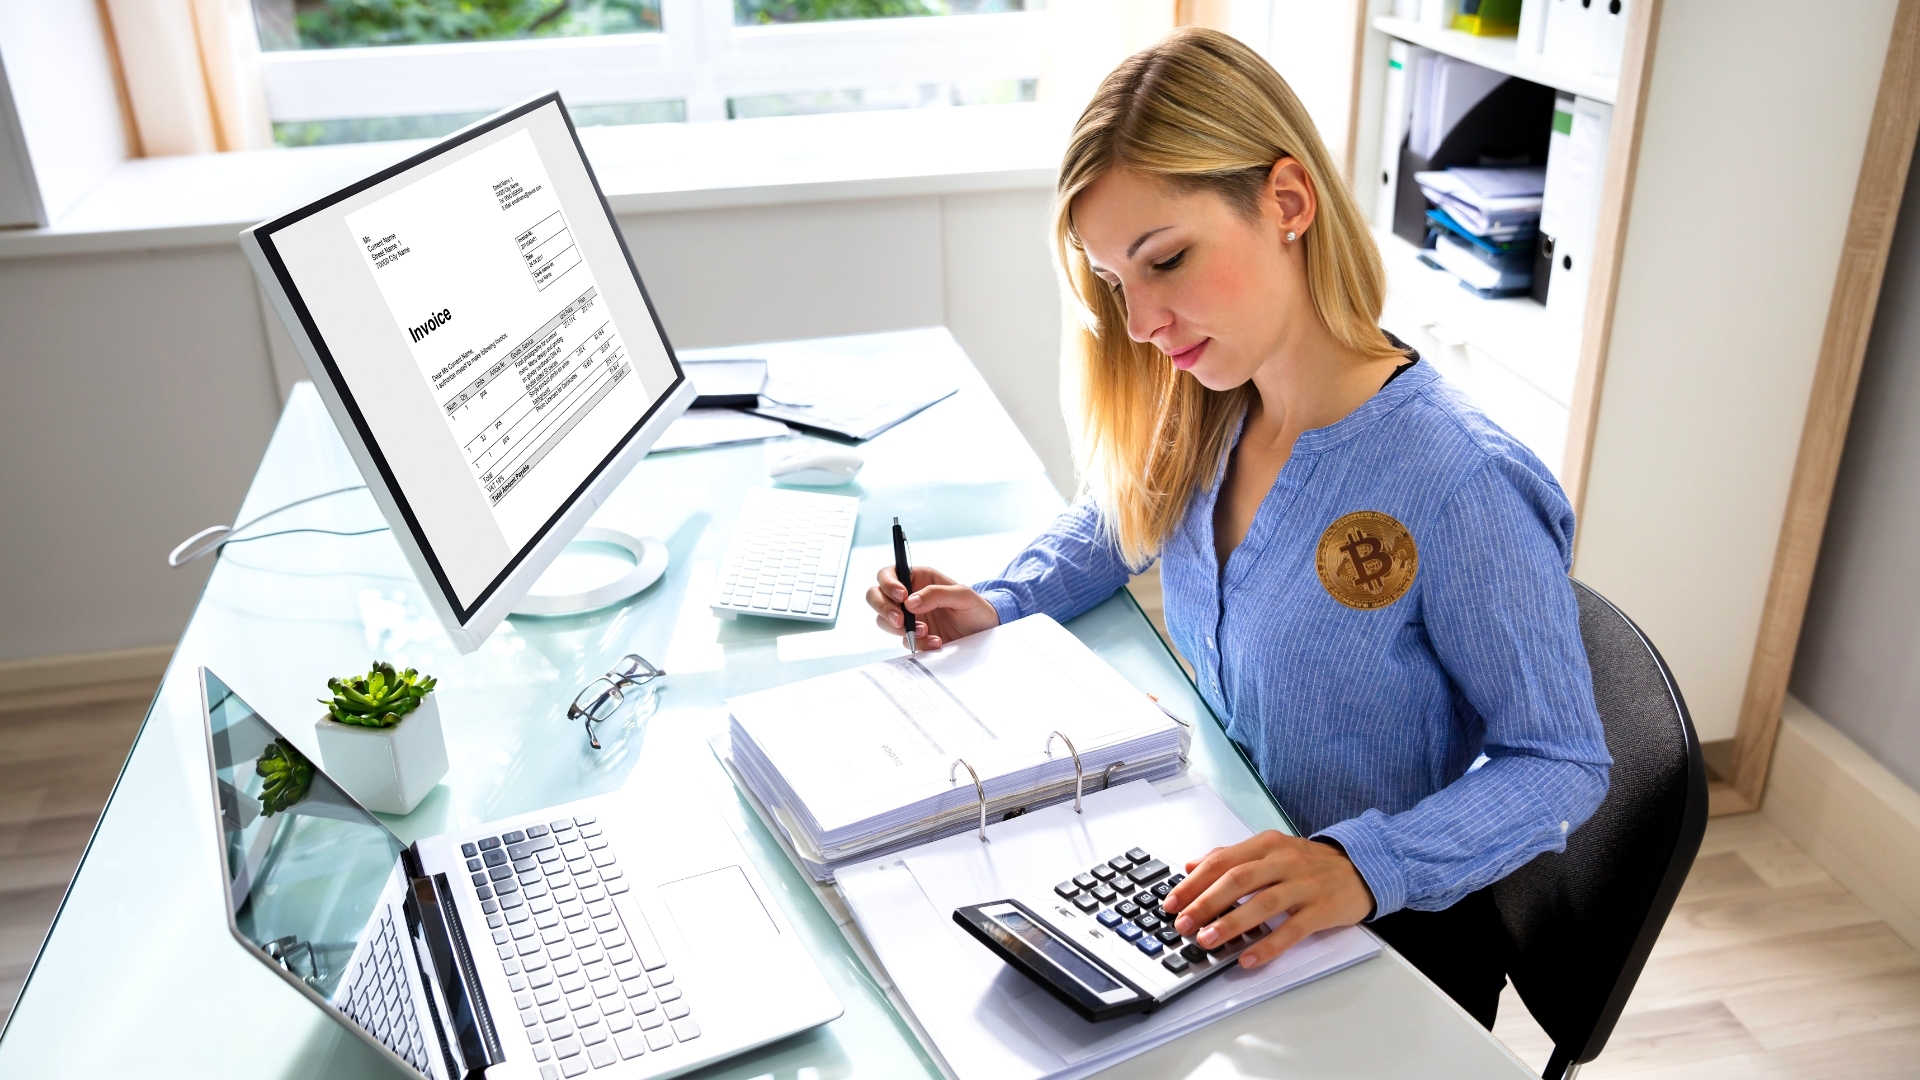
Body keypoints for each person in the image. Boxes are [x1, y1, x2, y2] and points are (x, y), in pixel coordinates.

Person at [864, 27, 1610, 1028]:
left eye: (1165, 260)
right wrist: (997, 600)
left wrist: (1356, 864)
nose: (1139, 322)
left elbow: (1561, 761)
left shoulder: (1459, 482)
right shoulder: (1219, 401)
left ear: (1288, 203)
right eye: (1116, 283)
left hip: (1379, 946)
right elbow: (1115, 523)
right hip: (1220, 889)